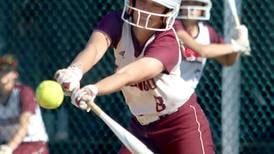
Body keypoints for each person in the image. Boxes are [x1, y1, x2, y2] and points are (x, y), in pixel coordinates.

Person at [55, 0, 215, 153]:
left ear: (168, 11)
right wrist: (75, 71)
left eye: (156, 5)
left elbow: (128, 75)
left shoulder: (169, 42)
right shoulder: (116, 21)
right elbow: (95, 48)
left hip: (181, 125)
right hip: (141, 127)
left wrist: (94, 89)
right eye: (143, 0)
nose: (146, 9)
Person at [173, 0, 250, 96]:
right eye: (188, 3)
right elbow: (203, 51)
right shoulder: (174, 26)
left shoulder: (208, 32)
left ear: (203, 7)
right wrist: (236, 46)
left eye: (196, 3)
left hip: (187, 94)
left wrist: (236, 43)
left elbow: (227, 60)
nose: (191, 8)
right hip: (168, 89)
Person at [0, 54, 49, 154]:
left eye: (7, 70)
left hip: (33, 144)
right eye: (0, 70)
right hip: (8, 145)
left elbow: (24, 126)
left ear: (15, 74)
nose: (3, 73)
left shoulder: (24, 92)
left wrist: (9, 148)